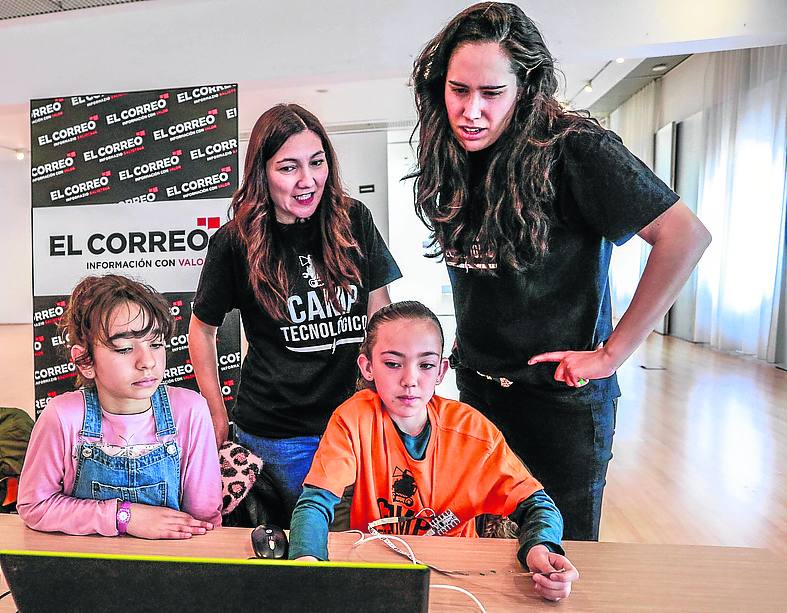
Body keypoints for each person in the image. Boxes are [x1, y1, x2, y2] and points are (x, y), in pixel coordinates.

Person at [409, 2, 711, 540]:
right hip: (479, 392)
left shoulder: (575, 149)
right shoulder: (448, 154)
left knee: (561, 560)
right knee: (487, 550)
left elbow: (684, 235)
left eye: (491, 93)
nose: (471, 111)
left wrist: (611, 354)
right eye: (459, 91)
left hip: (562, 404)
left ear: (525, 88)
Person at [189, 104, 401, 525]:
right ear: (262, 173)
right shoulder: (235, 243)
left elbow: (381, 311)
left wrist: (394, 389)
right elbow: (201, 330)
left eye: (317, 162)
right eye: (289, 168)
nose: (308, 181)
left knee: (353, 547)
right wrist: (216, 413)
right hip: (276, 436)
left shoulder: (354, 219)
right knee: (292, 553)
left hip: (353, 423)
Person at [289, 301, 579, 602]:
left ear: (441, 371)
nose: (410, 380)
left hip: (457, 579)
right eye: (392, 363)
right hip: (378, 571)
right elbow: (314, 504)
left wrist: (540, 549)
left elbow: (538, 505)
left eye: (425, 365)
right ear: (367, 367)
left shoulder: (472, 431)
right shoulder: (352, 420)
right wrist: (308, 565)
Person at [17, 274, 222, 538]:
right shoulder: (63, 416)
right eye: (124, 349)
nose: (147, 361)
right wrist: (124, 516)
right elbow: (35, 506)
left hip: (169, 565)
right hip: (86, 565)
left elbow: (203, 520)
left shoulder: (191, 411)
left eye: (156, 344)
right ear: (85, 361)